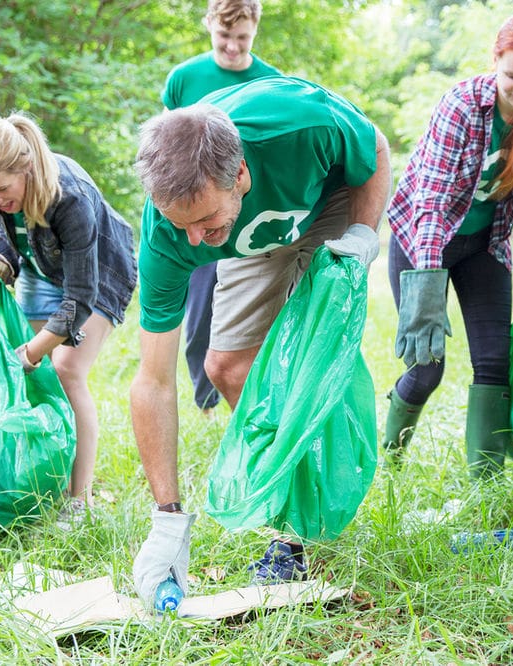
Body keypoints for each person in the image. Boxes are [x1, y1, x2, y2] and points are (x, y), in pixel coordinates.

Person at [129, 76, 391, 603]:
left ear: (241, 173)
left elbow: (376, 150)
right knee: (224, 366)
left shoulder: (301, 124)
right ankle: (289, 484)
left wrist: (363, 233)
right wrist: (167, 519)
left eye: (202, 220)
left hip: (326, 200)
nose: (193, 242)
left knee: (313, 359)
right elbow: (153, 380)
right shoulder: (171, 234)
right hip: (253, 237)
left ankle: (293, 532)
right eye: (180, 225)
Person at [383, 10, 513, 478]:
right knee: (427, 367)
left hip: (484, 246)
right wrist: (426, 284)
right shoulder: (463, 106)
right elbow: (432, 200)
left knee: (494, 362)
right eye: (512, 75)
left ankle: (485, 483)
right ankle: (388, 454)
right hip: (424, 242)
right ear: (495, 60)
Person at [0, 113, 137, 515]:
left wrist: (32, 351)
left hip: (97, 274)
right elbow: (7, 231)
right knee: (41, 381)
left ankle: (80, 501)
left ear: (25, 166)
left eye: (3, 190)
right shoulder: (5, 190)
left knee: (66, 369)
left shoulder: (69, 197)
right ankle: (49, 482)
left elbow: (79, 299)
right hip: (41, 268)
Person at [162, 0, 282, 414]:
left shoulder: (270, 81)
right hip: (200, 216)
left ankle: (259, 393)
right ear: (210, 25)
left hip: (252, 216)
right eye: (225, 36)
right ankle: (206, 402)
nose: (233, 47)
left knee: (257, 313)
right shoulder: (184, 78)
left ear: (255, 31)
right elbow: (166, 150)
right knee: (200, 317)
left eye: (243, 38)